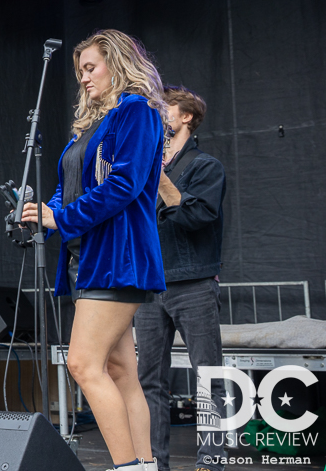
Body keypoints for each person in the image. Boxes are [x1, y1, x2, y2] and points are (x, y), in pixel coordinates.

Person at [22, 29, 167, 471]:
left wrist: (62, 218)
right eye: (80, 71)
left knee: (83, 365)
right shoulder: (91, 125)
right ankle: (144, 466)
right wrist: (43, 213)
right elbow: (70, 188)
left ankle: (128, 467)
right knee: (120, 371)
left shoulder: (136, 111)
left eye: (90, 68)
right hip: (86, 259)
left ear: (117, 63)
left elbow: (124, 184)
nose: (83, 78)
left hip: (117, 257)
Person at [135, 86, 227, 471]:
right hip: (149, 286)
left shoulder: (206, 167)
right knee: (148, 381)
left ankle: (211, 461)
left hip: (193, 284)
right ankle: (154, 463)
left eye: (165, 108)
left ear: (186, 116)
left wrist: (158, 177)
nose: (159, 114)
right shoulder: (148, 166)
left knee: (208, 378)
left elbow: (198, 217)